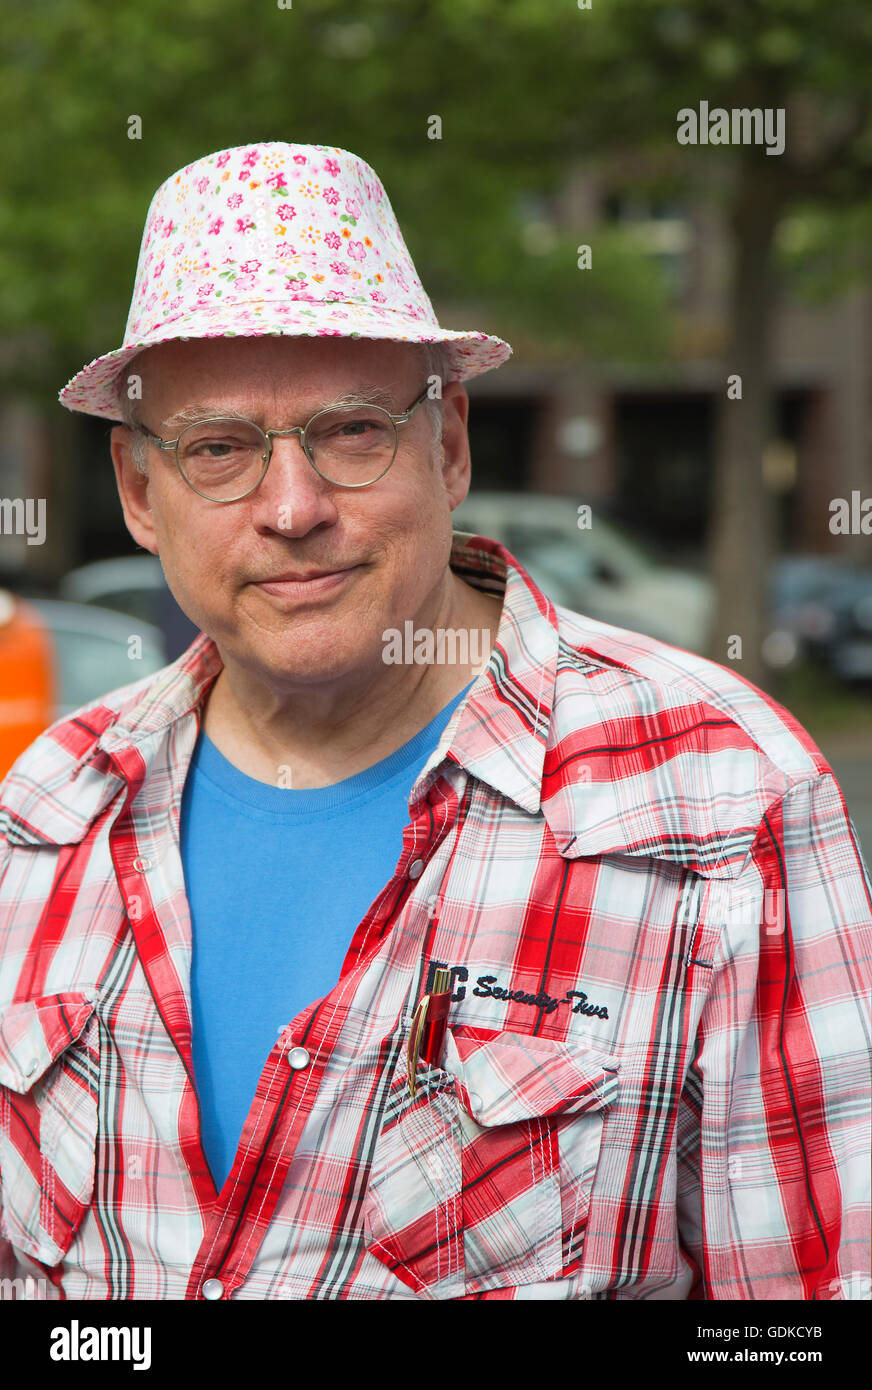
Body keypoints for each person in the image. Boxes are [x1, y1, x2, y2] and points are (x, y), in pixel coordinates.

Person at [0, 142, 869, 1302]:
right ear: (142, 492)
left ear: (446, 443)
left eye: (352, 431)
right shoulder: (46, 807)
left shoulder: (718, 792)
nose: (293, 509)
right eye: (218, 450)